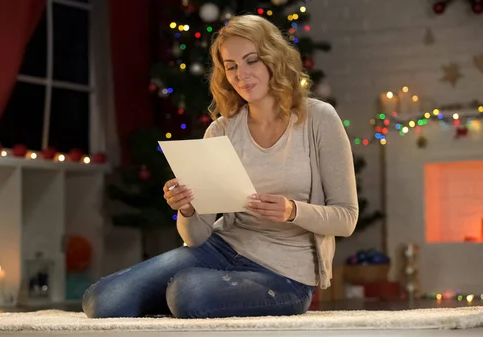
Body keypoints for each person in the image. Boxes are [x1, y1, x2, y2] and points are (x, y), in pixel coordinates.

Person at [82, 14, 358, 319]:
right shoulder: (221, 130)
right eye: (231, 66)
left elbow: (346, 218)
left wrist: (293, 211)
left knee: (187, 291)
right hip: (219, 249)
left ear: (274, 60)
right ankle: (187, 297)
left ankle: (188, 297)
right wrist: (187, 209)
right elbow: (196, 238)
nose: (242, 74)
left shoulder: (319, 119)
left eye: (252, 60)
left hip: (285, 276)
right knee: (102, 300)